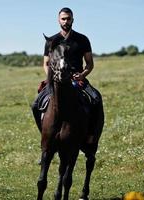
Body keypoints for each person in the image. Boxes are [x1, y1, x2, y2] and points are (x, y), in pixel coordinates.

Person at [31, 7, 102, 144]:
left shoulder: (82, 39)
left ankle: (91, 137)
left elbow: (89, 64)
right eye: (63, 19)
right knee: (35, 105)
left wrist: (82, 75)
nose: (66, 21)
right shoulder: (51, 41)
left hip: (77, 80)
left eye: (68, 18)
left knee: (96, 99)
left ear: (73, 20)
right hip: (55, 80)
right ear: (59, 20)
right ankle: (46, 139)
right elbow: (46, 64)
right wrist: (52, 77)